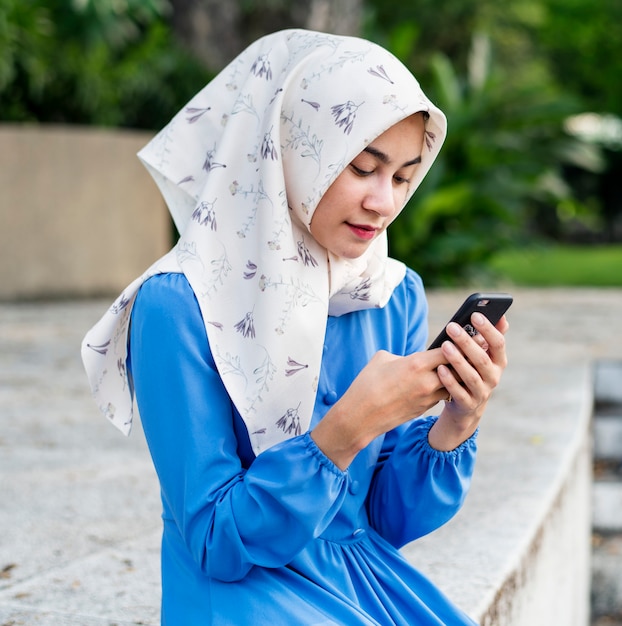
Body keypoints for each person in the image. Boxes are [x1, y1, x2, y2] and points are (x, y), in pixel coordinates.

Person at [82, 29, 508, 625]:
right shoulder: (178, 305)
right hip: (242, 594)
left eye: (404, 177)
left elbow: (385, 519)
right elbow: (213, 541)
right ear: (291, 152)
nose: (384, 202)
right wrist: (348, 427)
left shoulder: (390, 294)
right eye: (363, 168)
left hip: (361, 582)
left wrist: (458, 420)